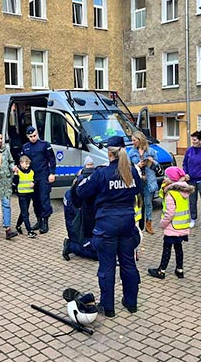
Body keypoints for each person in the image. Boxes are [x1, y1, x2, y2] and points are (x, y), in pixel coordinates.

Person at [74, 136, 142, 318]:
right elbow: (138, 190)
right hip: (128, 223)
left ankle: (108, 307)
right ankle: (131, 303)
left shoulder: (102, 173)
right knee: (128, 263)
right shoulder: (132, 172)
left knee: (107, 267)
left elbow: (81, 191)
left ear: (109, 153)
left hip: (106, 225)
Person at [147, 166, 193, 280]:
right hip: (182, 226)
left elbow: (169, 213)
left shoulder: (171, 194)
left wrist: (162, 223)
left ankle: (161, 270)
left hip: (172, 226)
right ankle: (179, 269)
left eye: (167, 176)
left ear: (172, 179)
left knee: (166, 248)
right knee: (178, 248)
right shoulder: (183, 192)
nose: (164, 178)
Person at [21, 126, 56, 234]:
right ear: (27, 136)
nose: (33, 138)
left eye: (35, 135)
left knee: (44, 199)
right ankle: (39, 220)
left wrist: (52, 173)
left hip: (43, 176)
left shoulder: (44, 145)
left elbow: (52, 159)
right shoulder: (25, 147)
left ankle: (45, 222)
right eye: (31, 136)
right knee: (35, 201)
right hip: (32, 178)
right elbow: (23, 162)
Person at [62, 157, 98, 261]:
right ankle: (71, 246)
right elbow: (71, 221)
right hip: (80, 228)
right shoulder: (72, 195)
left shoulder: (78, 188)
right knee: (97, 254)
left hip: (87, 227)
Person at [129, 131, 159, 234]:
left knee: (148, 203)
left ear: (140, 139)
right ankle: (138, 224)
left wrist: (152, 162)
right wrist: (137, 165)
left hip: (149, 181)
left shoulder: (151, 151)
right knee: (138, 203)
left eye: (134, 140)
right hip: (138, 181)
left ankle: (149, 223)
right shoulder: (132, 153)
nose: (133, 142)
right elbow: (129, 168)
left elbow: (158, 168)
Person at [13, 155, 37, 238]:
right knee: (25, 213)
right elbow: (15, 182)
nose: (27, 165)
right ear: (20, 163)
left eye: (28, 164)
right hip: (21, 194)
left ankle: (18, 225)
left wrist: (34, 183)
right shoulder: (18, 171)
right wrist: (15, 174)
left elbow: (35, 179)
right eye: (25, 164)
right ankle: (29, 230)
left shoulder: (31, 171)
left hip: (29, 193)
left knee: (24, 211)